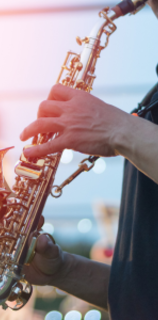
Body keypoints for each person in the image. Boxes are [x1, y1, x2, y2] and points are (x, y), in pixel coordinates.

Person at [20, 1, 158, 318]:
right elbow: (146, 292)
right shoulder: (152, 100)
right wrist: (63, 271)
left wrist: (118, 129)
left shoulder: (135, 125)